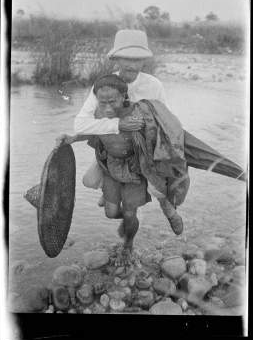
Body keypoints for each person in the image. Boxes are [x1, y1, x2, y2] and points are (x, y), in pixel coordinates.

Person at [59, 74, 189, 265]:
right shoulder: (96, 116)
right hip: (111, 168)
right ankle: (129, 219)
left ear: (124, 97)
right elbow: (90, 132)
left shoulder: (138, 115)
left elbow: (165, 136)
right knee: (111, 213)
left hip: (136, 172)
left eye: (113, 101)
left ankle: (128, 244)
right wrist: (72, 138)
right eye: (102, 102)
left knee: (130, 213)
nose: (107, 107)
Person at [74, 29, 183, 235]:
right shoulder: (105, 85)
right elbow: (81, 124)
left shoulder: (153, 85)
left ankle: (168, 211)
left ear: (144, 61)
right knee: (89, 181)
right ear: (116, 58)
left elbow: (167, 121)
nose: (132, 64)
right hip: (114, 147)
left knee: (158, 186)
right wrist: (118, 126)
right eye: (126, 58)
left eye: (138, 59)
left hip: (144, 149)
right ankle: (113, 193)